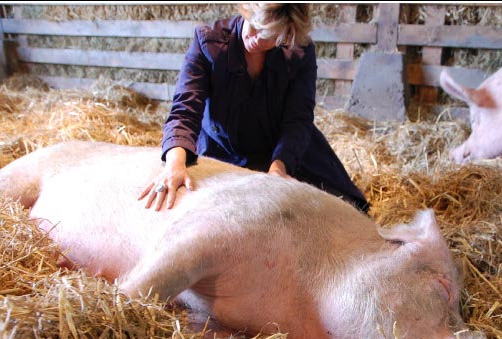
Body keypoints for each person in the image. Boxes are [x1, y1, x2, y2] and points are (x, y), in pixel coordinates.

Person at [139, 3, 369, 213]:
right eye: (255, 26)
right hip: (223, 148)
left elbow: (298, 118)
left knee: (342, 209)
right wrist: (175, 162)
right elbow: (185, 108)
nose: (257, 39)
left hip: (280, 148)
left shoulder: (299, 51)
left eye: (269, 36)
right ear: (246, 9)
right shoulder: (208, 42)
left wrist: (280, 168)